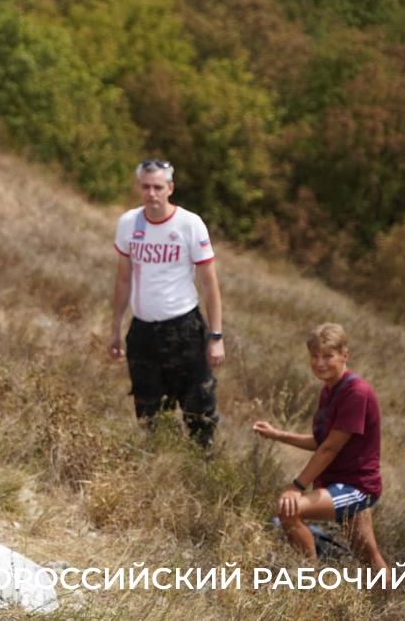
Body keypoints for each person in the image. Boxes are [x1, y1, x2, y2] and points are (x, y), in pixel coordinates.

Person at [253, 324, 387, 573]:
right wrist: (277, 434)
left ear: (345, 355)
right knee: (368, 556)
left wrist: (297, 486)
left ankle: (309, 579)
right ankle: (390, 597)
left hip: (356, 487)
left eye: (328, 356)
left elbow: (329, 449)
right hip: (338, 484)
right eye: (314, 356)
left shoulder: (356, 392)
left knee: (289, 510)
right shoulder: (330, 388)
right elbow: (321, 441)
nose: (320, 363)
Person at [108, 159, 224, 446]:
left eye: (158, 187)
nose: (152, 194)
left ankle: (202, 463)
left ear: (170, 188)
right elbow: (123, 279)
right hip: (143, 331)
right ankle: (162, 461)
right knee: (150, 411)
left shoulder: (189, 224)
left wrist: (216, 336)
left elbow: (209, 284)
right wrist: (115, 328)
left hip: (184, 329)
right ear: (138, 188)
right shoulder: (128, 223)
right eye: (146, 187)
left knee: (198, 410)